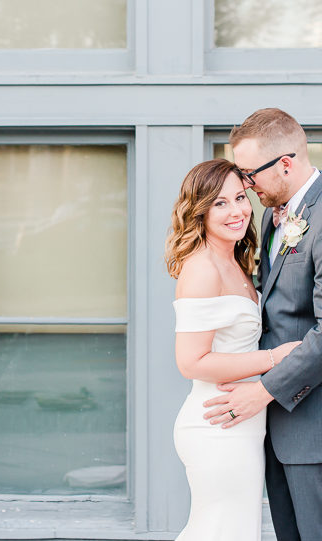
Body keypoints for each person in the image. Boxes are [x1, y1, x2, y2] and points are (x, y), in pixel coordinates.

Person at [164, 158, 299, 541]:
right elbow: (191, 361)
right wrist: (277, 357)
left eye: (240, 197)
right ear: (199, 210)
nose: (237, 210)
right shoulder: (202, 267)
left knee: (234, 529)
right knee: (219, 530)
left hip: (242, 420)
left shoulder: (236, 261)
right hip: (216, 422)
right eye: (220, 203)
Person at [203, 108, 322, 541]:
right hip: (275, 428)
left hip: (313, 428)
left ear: (286, 164)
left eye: (250, 175)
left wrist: (263, 390)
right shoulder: (277, 219)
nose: (247, 186)